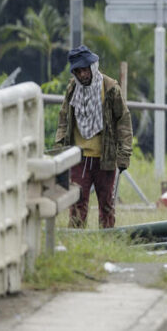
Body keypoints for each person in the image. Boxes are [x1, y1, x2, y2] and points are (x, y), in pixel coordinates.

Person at [55, 45, 132, 229]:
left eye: (85, 69)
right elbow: (64, 119)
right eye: (78, 71)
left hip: (104, 158)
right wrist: (59, 150)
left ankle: (107, 241)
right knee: (77, 205)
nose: (82, 74)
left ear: (92, 66)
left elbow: (123, 121)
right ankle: (76, 242)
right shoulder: (73, 89)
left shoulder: (110, 88)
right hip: (78, 158)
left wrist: (124, 154)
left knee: (106, 205)